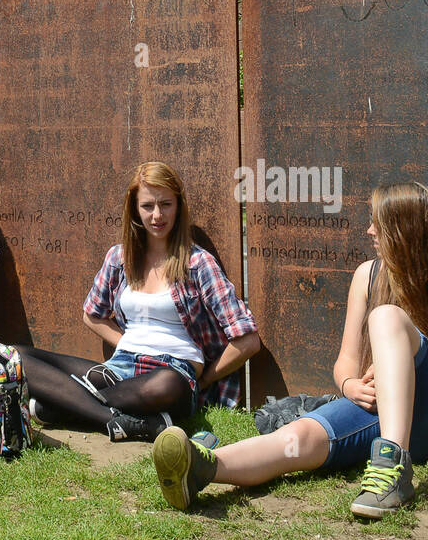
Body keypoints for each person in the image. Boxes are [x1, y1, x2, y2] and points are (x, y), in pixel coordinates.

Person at [153, 181, 428, 518]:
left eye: (377, 224)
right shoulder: (367, 276)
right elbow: (346, 364)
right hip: (381, 409)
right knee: (298, 437)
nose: (369, 232)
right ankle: (203, 467)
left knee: (387, 317)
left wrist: (400, 368)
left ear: (405, 230)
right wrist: (351, 385)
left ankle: (392, 468)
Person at [19, 162, 261, 441]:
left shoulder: (198, 263)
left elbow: (247, 340)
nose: (157, 215)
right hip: (120, 368)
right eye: (147, 206)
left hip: (174, 372)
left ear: (178, 206)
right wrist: (123, 342)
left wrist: (204, 380)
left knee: (163, 386)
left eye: (165, 204)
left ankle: (62, 405)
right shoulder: (119, 258)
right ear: (134, 208)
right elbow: (92, 314)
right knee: (17, 356)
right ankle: (123, 422)